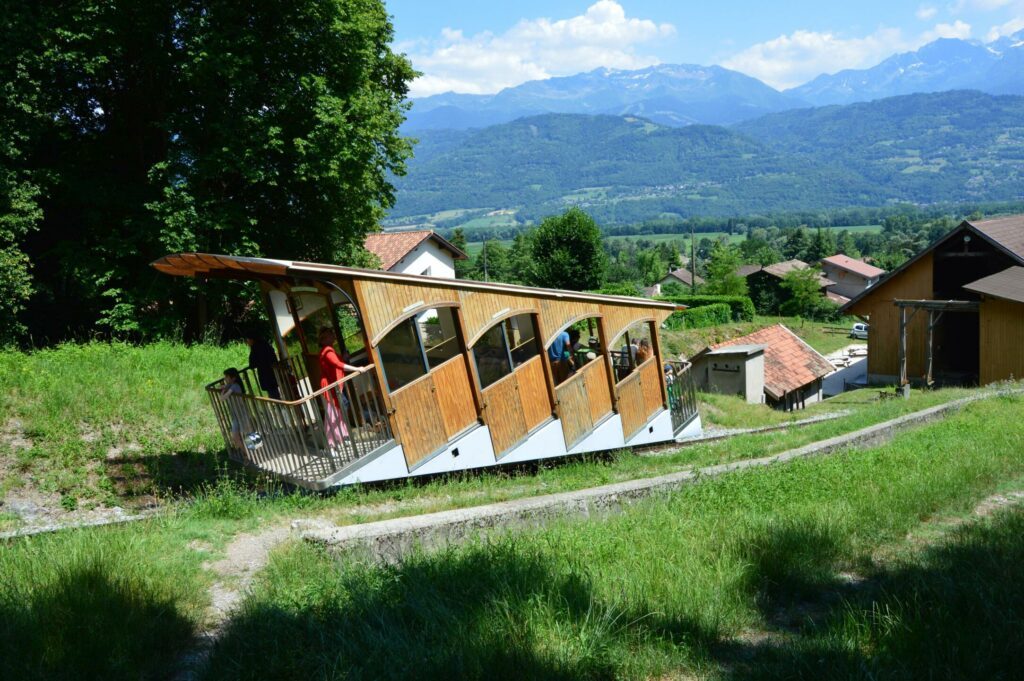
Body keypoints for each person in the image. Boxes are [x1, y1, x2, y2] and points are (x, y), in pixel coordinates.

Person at [318, 327, 368, 449]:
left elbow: (339, 362)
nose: (333, 336)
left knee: (338, 411)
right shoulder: (328, 351)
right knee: (333, 414)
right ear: (324, 339)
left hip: (334, 385)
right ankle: (331, 443)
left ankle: (342, 437)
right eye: (330, 334)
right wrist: (358, 369)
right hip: (331, 386)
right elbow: (338, 364)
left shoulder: (329, 351)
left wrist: (344, 357)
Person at [244, 329, 281, 399]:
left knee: (273, 395)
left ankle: (281, 407)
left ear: (252, 339)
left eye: (247, 340)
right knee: (275, 393)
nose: (247, 342)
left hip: (265, 375)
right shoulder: (265, 344)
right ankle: (282, 407)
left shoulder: (255, 349)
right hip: (273, 373)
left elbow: (252, 364)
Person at [219, 368, 248, 450]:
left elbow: (222, 398)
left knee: (247, 435)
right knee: (235, 437)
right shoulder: (230, 385)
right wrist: (223, 387)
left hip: (242, 414)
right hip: (236, 415)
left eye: (227, 377)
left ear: (233, 378)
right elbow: (224, 388)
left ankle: (256, 454)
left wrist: (223, 391)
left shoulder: (235, 386)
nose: (225, 378)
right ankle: (246, 454)